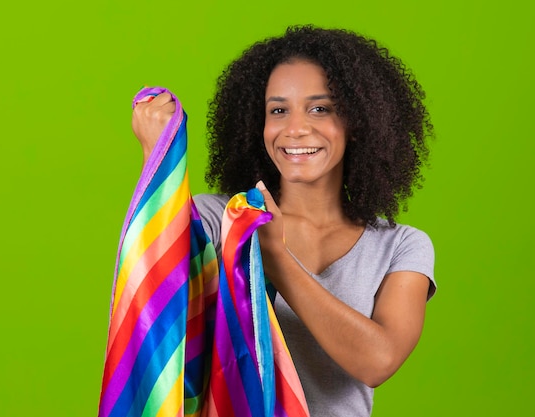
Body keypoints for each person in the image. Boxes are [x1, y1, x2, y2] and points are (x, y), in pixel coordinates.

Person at [132, 25, 436, 417]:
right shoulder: (218, 219)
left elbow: (378, 361)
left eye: (320, 108)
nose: (295, 128)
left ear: (358, 123)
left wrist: (274, 255)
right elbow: (153, 305)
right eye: (278, 110)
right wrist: (157, 161)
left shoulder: (400, 246)